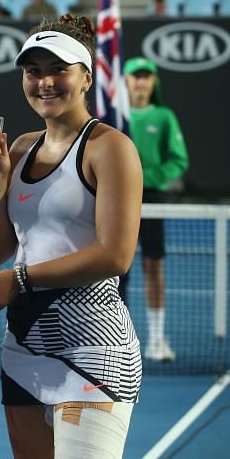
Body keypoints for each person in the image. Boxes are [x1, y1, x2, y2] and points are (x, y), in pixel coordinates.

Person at [0, 15, 143, 458]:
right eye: (33, 71)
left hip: (94, 348)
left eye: (58, 70)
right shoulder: (20, 147)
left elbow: (116, 255)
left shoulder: (111, 148)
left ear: (86, 77)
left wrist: (22, 279)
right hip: (23, 347)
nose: (44, 82)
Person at [124, 56, 189, 362]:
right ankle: (117, 337)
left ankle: (157, 339)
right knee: (116, 268)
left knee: (153, 266)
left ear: (153, 82)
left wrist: (146, 178)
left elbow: (179, 159)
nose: (140, 81)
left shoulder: (164, 116)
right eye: (135, 76)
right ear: (124, 81)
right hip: (118, 197)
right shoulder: (114, 116)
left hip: (152, 198)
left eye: (146, 76)